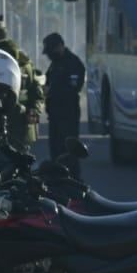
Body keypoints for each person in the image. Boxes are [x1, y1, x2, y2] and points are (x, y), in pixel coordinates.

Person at [0, 17, 44, 153]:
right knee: (20, 163)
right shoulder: (23, 59)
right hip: (21, 124)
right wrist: (34, 110)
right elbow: (36, 90)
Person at [42, 32, 86, 178]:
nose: (49, 55)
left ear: (60, 46)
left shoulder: (73, 63)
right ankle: (58, 181)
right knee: (55, 151)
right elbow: (49, 82)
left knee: (69, 151)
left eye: (51, 51)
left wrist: (52, 90)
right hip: (54, 114)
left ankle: (74, 181)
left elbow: (73, 89)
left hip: (68, 115)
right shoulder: (55, 64)